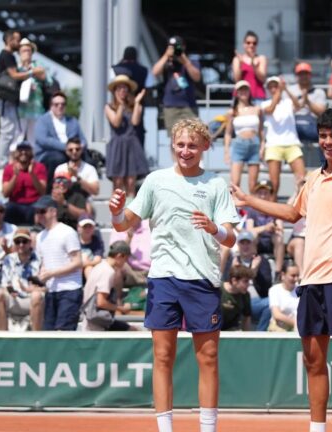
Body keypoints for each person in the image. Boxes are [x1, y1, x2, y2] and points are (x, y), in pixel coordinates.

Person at [230, 108, 332, 432]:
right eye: (323, 136)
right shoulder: (313, 177)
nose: (328, 141)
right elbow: (293, 213)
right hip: (310, 282)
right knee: (313, 361)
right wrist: (248, 200)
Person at [108, 118, 239, 432]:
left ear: (205, 147)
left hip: (202, 279)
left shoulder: (216, 185)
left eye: (193, 145)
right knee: (162, 355)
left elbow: (231, 238)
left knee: (207, 357)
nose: (186, 150)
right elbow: (123, 224)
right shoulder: (155, 181)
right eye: (180, 144)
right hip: (164, 277)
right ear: (172, 146)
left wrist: (214, 228)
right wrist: (115, 210)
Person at [34, 195, 83, 331]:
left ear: (53, 212)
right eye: (37, 212)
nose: (39, 215)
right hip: (51, 291)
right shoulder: (40, 237)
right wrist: (41, 278)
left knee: (63, 334)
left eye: (42, 211)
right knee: (49, 335)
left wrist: (51, 273)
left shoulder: (67, 232)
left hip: (70, 289)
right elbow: (44, 263)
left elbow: (78, 262)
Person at [0, 30, 43, 169]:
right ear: (10, 40)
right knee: (7, 132)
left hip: (9, 100)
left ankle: (5, 164)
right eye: (17, 40)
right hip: (5, 100)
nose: (19, 43)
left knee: (12, 132)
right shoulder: (7, 55)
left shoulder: (7, 55)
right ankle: (2, 165)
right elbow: (14, 75)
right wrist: (31, 72)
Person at [261, 76, 307, 198]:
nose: (274, 88)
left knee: (302, 180)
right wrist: (281, 91)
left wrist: (286, 90)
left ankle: (302, 211)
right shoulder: (264, 104)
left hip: (292, 143)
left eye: (275, 85)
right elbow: (270, 109)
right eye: (271, 86)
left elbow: (298, 106)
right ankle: (272, 215)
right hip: (273, 145)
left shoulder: (288, 102)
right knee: (274, 184)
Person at [0, 229, 44, 331]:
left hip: (31, 298)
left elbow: (45, 286)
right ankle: (3, 336)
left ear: (30, 243)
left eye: (24, 241)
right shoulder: (8, 259)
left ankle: (36, 337)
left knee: (37, 296)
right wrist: (11, 291)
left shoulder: (39, 259)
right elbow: (5, 283)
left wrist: (31, 290)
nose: (21, 245)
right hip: (13, 299)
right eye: (17, 242)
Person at [105, 75, 150, 196]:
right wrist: (120, 106)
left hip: (131, 145)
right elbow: (116, 123)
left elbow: (135, 121)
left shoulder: (136, 106)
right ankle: (116, 213)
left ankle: (131, 213)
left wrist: (136, 103)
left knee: (131, 183)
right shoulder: (109, 107)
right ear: (114, 91)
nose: (122, 91)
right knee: (117, 183)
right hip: (117, 145)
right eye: (119, 88)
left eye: (125, 88)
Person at [221, 230, 273, 332]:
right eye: (242, 243)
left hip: (257, 300)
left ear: (254, 244)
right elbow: (228, 283)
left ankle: (259, 334)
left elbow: (266, 287)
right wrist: (234, 269)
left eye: (248, 243)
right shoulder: (232, 260)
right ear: (238, 245)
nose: (245, 246)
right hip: (237, 296)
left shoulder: (262, 261)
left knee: (270, 303)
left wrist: (255, 271)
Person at [81, 241, 137, 331]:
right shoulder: (108, 272)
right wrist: (121, 308)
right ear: (119, 256)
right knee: (134, 330)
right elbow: (101, 302)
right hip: (97, 326)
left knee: (132, 329)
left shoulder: (99, 267)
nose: (125, 263)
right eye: (126, 259)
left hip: (90, 321)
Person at [152, 36, 202, 135]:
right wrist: (166, 55)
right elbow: (154, 72)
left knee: (193, 135)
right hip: (171, 106)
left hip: (189, 106)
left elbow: (197, 77)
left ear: (184, 47)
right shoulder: (166, 62)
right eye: (172, 47)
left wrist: (184, 60)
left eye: (177, 47)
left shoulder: (191, 62)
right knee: (174, 138)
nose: (175, 50)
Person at [34, 91, 87, 181]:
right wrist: (66, 147)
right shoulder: (43, 120)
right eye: (56, 104)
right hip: (49, 153)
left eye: (63, 104)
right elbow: (42, 140)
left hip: (73, 152)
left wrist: (79, 147)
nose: (60, 106)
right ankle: (50, 190)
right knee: (58, 159)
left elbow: (83, 139)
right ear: (51, 106)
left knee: (88, 161)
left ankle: (81, 190)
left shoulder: (72, 121)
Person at [224, 80, 263, 192]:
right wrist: (226, 151)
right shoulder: (232, 112)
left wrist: (262, 147)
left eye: (245, 89)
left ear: (249, 91)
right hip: (239, 144)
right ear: (236, 93)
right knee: (235, 183)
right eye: (240, 90)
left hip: (254, 144)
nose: (243, 92)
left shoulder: (257, 109)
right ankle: (234, 208)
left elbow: (260, 131)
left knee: (253, 184)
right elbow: (228, 133)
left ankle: (252, 209)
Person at [17, 38, 53, 146]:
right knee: (17, 138)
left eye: (29, 50)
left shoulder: (38, 63)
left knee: (35, 139)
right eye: (24, 50)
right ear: (19, 52)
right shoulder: (16, 66)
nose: (27, 53)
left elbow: (48, 79)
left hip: (36, 108)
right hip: (20, 109)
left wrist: (32, 71)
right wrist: (32, 72)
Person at [244, 180, 284, 276]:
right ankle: (252, 266)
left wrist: (274, 227)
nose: (262, 196)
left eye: (265, 193)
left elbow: (280, 228)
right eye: (260, 193)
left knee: (279, 236)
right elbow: (249, 230)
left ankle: (278, 271)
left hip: (271, 241)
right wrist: (265, 228)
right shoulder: (252, 210)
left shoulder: (276, 209)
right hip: (257, 242)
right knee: (252, 235)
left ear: (270, 195)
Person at [2, 141, 47, 226]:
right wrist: (15, 176)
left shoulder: (40, 167)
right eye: (20, 150)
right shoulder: (9, 168)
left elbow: (42, 192)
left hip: (34, 204)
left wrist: (32, 174)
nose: (23, 152)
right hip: (15, 204)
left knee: (38, 209)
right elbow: (5, 193)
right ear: (16, 153)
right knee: (7, 208)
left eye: (26, 150)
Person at [288, 62, 327, 143]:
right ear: (296, 76)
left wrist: (307, 102)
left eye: (305, 73)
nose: (303, 76)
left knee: (325, 136)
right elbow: (286, 111)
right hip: (292, 125)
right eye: (300, 74)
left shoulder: (319, 92)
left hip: (312, 126)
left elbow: (321, 113)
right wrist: (298, 105)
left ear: (310, 75)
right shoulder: (289, 91)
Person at [232, 30, 267, 103]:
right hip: (240, 97)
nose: (251, 45)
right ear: (244, 44)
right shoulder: (237, 59)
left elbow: (262, 79)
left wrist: (254, 65)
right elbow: (236, 80)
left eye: (254, 43)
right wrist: (241, 64)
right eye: (248, 43)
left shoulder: (261, 58)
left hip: (257, 96)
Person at [267, 262, 299, 332]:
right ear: (283, 275)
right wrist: (295, 323)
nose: (296, 279)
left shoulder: (301, 290)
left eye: (297, 275)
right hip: (279, 328)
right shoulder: (274, 290)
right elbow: (276, 314)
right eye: (293, 276)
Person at [220, 265, 254, 331]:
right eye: (245, 281)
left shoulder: (245, 295)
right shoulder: (217, 290)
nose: (248, 284)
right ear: (234, 280)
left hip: (231, 331)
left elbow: (246, 317)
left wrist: (246, 337)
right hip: (211, 330)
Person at [78, 214, 104, 280]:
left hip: (91, 270)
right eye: (85, 226)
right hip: (76, 271)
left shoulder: (97, 241)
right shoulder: (73, 241)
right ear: (78, 227)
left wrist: (84, 263)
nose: (87, 229)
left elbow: (97, 260)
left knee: (88, 268)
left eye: (90, 226)